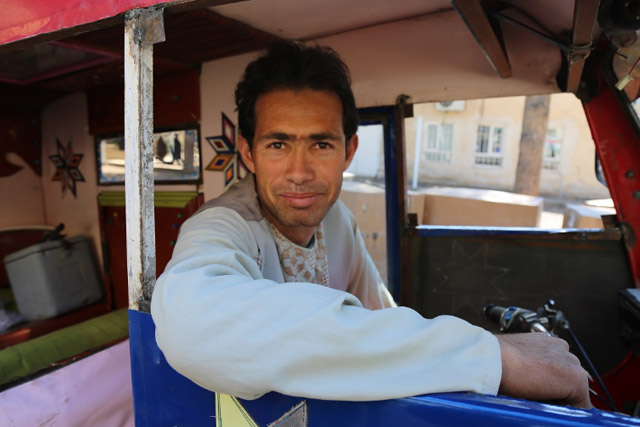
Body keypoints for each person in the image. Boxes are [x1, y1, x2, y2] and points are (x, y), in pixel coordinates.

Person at [151, 41, 590, 408]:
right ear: (247, 153)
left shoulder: (336, 217)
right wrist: (496, 359)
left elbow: (380, 316)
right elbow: (192, 323)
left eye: (321, 144)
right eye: (278, 144)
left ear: (348, 150)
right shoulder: (220, 227)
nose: (300, 172)